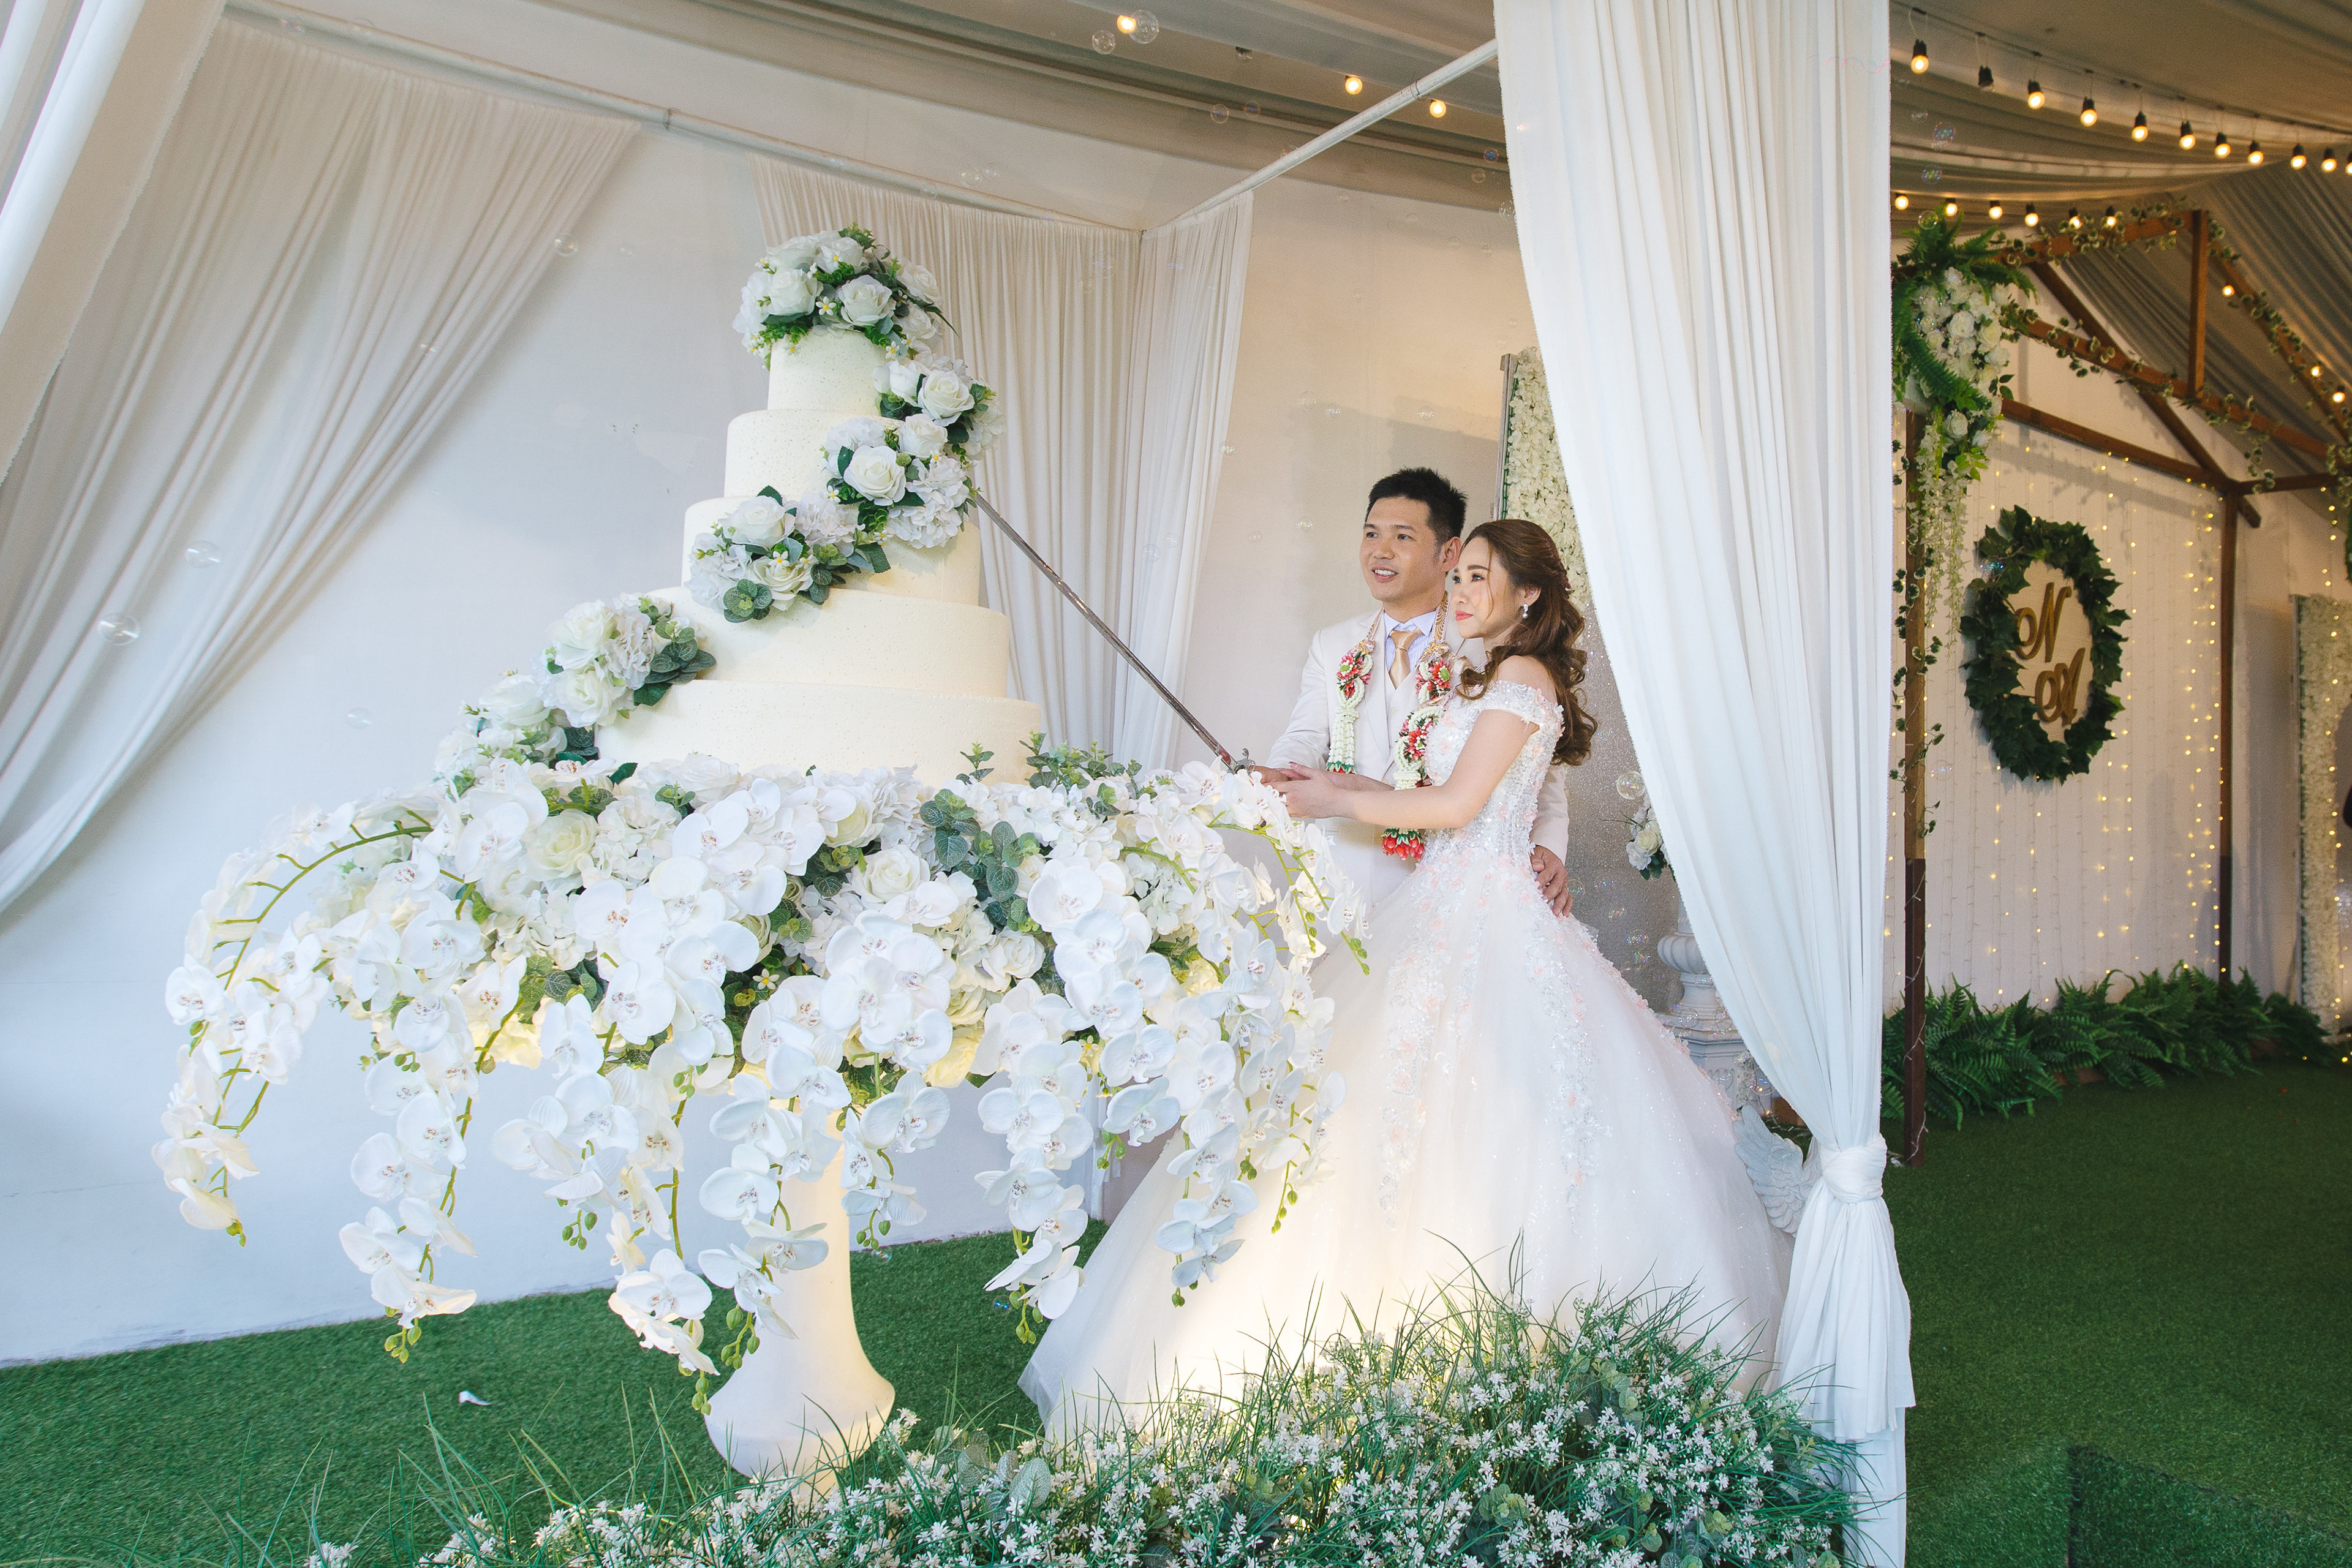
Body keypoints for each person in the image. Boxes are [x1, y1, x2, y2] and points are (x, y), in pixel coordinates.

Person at [1020, 519, 1789, 1428]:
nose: (1458, 592)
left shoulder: (1522, 676)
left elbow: (1460, 806)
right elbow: (1442, 791)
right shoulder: (1486, 673)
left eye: (1479, 577)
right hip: (1445, 905)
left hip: (1488, 912)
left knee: (1486, 1113)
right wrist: (1325, 785)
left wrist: (1339, 800)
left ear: (1529, 594)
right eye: (1457, 576)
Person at [1259, 469, 1572, 918]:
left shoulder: (1491, 647)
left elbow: (1538, 770)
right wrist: (1277, 779)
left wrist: (1548, 845)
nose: (1380, 551)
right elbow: (1305, 736)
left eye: (1403, 536)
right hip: (1340, 871)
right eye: (1371, 534)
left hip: (1446, 883)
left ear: (1448, 552)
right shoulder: (1332, 643)